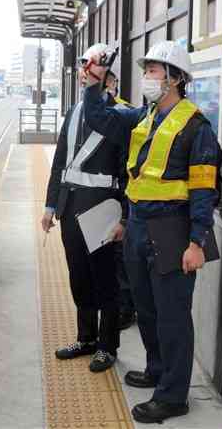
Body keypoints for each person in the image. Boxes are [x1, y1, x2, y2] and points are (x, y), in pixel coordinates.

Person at [82, 40, 221, 423]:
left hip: (174, 231)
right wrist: (93, 84)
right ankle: (157, 370)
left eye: (154, 71)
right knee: (145, 308)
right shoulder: (144, 118)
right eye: (146, 71)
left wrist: (197, 242)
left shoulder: (196, 128)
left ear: (176, 78)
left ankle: (174, 396)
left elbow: (204, 191)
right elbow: (101, 120)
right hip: (139, 226)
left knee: (173, 314)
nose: (147, 77)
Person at [41, 43, 128, 373]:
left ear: (108, 80)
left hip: (102, 208)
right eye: (83, 70)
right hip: (70, 205)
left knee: (105, 280)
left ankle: (108, 346)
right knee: (79, 277)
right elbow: (59, 162)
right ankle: (86, 338)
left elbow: (126, 172)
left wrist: (123, 215)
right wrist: (50, 205)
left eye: (90, 71)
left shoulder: (120, 116)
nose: (83, 76)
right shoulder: (75, 112)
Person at [104, 69, 137, 330]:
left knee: (120, 254)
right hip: (103, 194)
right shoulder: (88, 111)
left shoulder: (126, 112)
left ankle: (126, 309)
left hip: (123, 190)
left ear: (114, 83)